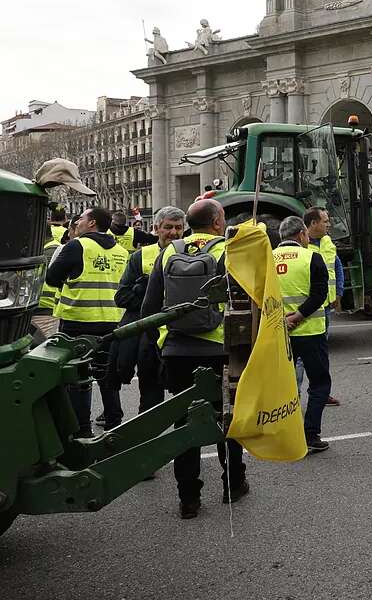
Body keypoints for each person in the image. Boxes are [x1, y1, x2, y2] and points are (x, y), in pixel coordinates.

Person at [142, 199, 246, 519]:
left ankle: (188, 498)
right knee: (226, 418)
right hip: (218, 351)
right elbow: (243, 307)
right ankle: (233, 484)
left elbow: (149, 310)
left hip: (177, 351)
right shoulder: (226, 251)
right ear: (216, 223)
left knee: (185, 423)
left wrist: (163, 345)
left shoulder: (169, 252)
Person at [44, 206, 129, 437]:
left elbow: (52, 278)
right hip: (113, 322)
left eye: (81, 219)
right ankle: (115, 422)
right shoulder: (121, 252)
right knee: (106, 374)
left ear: (92, 223)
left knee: (79, 376)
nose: (77, 223)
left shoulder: (77, 246)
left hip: (78, 322)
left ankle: (82, 430)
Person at [112, 206, 184, 420]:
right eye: (168, 227)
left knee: (184, 400)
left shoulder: (192, 254)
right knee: (150, 402)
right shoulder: (140, 257)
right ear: (156, 229)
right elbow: (122, 297)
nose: (173, 232)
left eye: (178, 227)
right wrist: (150, 300)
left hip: (179, 338)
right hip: (149, 341)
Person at [274, 216, 331, 453]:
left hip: (278, 333)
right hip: (310, 332)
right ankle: (310, 434)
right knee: (319, 383)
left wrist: (283, 321)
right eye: (307, 234)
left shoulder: (268, 259)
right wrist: (297, 318)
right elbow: (319, 295)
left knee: (284, 386)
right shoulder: (312, 257)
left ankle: (286, 433)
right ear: (300, 235)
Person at [298, 207, 341, 407]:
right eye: (325, 221)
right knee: (302, 357)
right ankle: (294, 396)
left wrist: (338, 292)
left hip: (324, 307)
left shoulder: (327, 242)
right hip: (306, 309)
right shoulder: (302, 247)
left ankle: (322, 393)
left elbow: (336, 267)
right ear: (313, 223)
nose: (328, 224)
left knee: (321, 354)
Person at [30, 207, 69, 340]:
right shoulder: (48, 248)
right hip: (43, 308)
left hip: (46, 309)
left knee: (45, 346)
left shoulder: (50, 251)